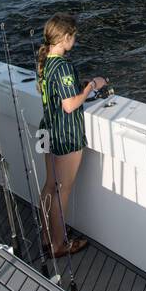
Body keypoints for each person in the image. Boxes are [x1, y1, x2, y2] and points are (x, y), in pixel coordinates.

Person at [37, 14, 106, 258]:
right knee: (61, 191)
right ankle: (58, 244)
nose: (74, 40)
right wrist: (89, 87)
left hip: (46, 129)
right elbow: (69, 105)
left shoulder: (47, 63)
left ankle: (46, 236)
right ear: (65, 37)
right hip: (65, 135)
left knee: (48, 185)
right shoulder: (64, 66)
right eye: (73, 36)